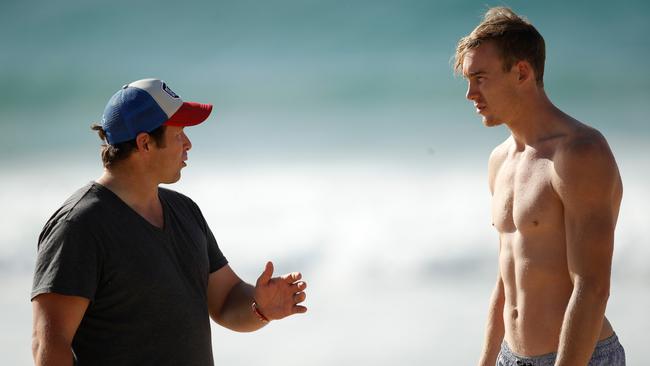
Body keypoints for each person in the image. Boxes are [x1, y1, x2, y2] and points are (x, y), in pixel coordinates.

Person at [31, 78, 308, 365]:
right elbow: (49, 346)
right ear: (145, 143)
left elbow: (225, 299)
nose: (188, 143)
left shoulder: (184, 211)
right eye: (179, 134)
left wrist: (259, 306)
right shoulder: (79, 226)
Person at [454, 7, 625, 366]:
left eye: (480, 78)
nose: (470, 94)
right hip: (509, 357)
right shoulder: (500, 160)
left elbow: (592, 288)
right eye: (468, 80)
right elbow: (506, 280)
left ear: (522, 72)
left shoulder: (579, 153)